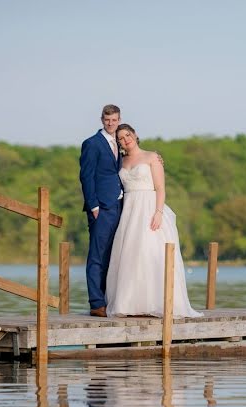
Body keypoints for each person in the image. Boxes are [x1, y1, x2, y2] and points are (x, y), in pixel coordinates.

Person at [105, 124, 201, 318]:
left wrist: (158, 212)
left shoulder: (152, 157)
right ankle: (130, 304)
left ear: (135, 135)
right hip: (130, 211)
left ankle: (156, 302)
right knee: (130, 255)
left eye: (128, 135)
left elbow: (160, 188)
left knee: (150, 253)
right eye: (121, 138)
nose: (126, 140)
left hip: (149, 208)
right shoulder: (119, 162)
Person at [79, 104, 123, 317]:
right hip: (101, 208)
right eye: (107, 120)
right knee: (97, 255)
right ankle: (96, 303)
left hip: (120, 206)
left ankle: (109, 299)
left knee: (113, 254)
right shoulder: (92, 144)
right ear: (101, 120)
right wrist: (93, 206)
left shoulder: (122, 141)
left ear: (119, 119)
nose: (111, 123)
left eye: (114, 120)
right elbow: (86, 176)